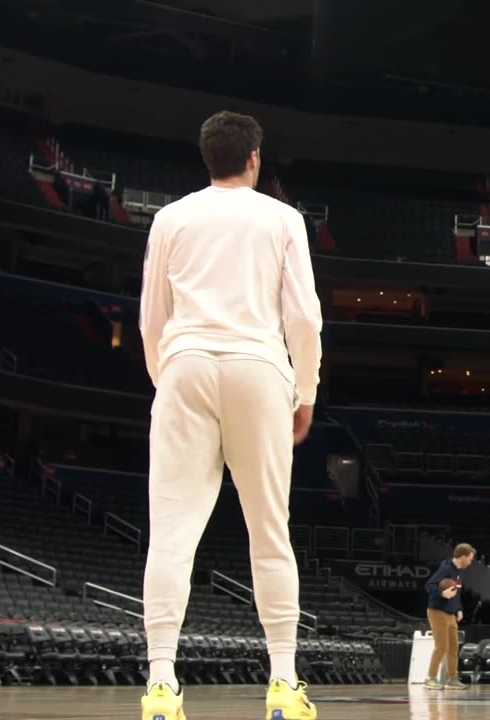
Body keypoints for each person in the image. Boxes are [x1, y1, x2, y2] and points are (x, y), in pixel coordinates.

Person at [138, 110, 324, 720]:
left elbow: (150, 317)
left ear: (207, 157)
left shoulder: (171, 217)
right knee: (270, 535)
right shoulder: (283, 219)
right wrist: (305, 392)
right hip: (259, 368)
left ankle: (161, 686)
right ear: (254, 159)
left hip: (186, 361)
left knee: (171, 535)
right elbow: (303, 319)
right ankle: (282, 682)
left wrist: (170, 378)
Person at [423, 543, 476, 690]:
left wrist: (458, 609)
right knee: (441, 646)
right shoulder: (446, 568)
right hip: (437, 611)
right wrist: (441, 593)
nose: (471, 562)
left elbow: (456, 593)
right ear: (463, 556)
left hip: (451, 613)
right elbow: (429, 585)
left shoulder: (459, 572)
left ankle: (452, 678)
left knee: (453, 647)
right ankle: (430, 678)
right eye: (470, 559)